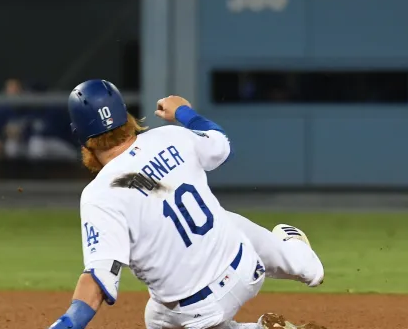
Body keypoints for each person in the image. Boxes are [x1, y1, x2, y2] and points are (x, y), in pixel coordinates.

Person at [47, 80, 326, 329]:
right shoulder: (171, 136)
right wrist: (182, 112)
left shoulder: (100, 195)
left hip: (197, 311)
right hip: (247, 267)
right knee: (225, 220)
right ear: (125, 115)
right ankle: (306, 264)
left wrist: (67, 323)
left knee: (158, 319)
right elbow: (222, 145)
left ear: (81, 137)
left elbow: (99, 278)